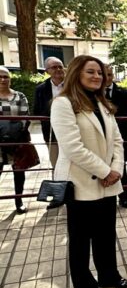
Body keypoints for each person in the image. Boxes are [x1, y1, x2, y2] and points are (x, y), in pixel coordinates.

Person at [50, 55, 127, 288]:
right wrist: (105, 171)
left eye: (100, 72)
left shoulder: (102, 103)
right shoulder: (63, 103)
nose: (97, 76)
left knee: (106, 234)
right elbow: (73, 147)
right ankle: (84, 286)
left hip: (108, 182)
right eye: (91, 72)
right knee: (80, 239)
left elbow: (118, 141)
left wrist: (116, 169)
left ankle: (109, 276)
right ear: (76, 73)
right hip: (81, 183)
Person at [0, 66, 32, 214]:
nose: (2, 79)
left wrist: (14, 133)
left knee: (19, 173)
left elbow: (25, 117)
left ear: (10, 79)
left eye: (5, 76)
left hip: (17, 140)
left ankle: (19, 201)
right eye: (0, 77)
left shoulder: (20, 96)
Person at [105, 64, 127, 208]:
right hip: (101, 138)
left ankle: (124, 196)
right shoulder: (90, 94)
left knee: (120, 166)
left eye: (110, 75)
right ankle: (106, 196)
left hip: (120, 135)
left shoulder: (123, 92)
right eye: (105, 74)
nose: (107, 78)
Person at [34, 57, 65, 192]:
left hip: (73, 131)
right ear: (47, 71)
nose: (58, 70)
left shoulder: (73, 85)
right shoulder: (41, 89)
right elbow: (37, 111)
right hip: (51, 132)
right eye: (54, 67)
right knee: (56, 163)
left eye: (60, 66)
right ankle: (58, 193)